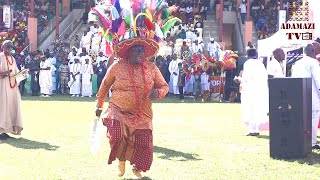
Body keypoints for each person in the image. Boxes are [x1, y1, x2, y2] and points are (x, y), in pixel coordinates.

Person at [291, 44, 320, 149]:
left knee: (301, 118)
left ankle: (300, 140)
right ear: (313, 51)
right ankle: (312, 142)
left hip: (299, 94)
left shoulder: (297, 63)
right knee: (313, 117)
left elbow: (293, 79)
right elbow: (318, 80)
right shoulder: (314, 62)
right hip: (312, 95)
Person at [241, 48, 269, 136]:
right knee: (257, 109)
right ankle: (255, 129)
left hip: (250, 90)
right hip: (260, 90)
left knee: (250, 109)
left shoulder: (248, 63)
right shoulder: (260, 63)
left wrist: (240, 79)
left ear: (247, 55)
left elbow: (246, 77)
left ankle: (253, 130)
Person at [0, 40, 23, 139]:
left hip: (12, 86)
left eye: (11, 46)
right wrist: (4, 73)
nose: (10, 48)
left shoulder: (12, 58)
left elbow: (16, 72)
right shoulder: (0, 56)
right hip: (2, 86)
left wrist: (23, 74)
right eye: (8, 46)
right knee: (3, 107)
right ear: (3, 47)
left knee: (11, 107)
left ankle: (6, 130)